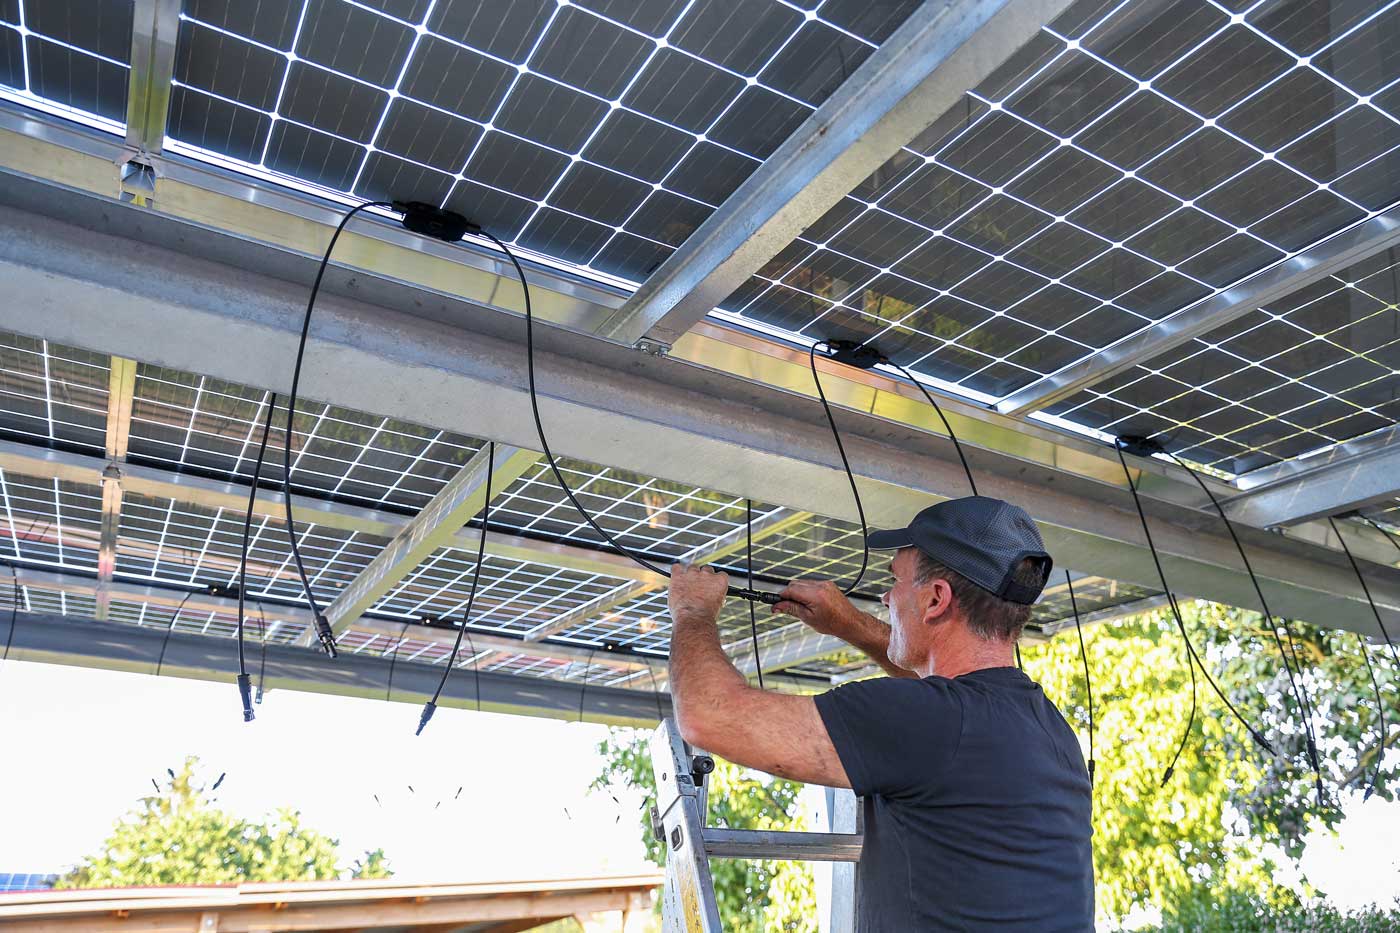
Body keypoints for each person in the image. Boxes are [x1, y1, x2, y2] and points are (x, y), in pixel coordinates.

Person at [667, 495, 1094, 931]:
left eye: (896, 581)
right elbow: (939, 709)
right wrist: (850, 625)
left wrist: (692, 611)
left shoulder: (929, 722)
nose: (887, 597)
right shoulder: (1046, 726)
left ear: (935, 600)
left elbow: (708, 714)